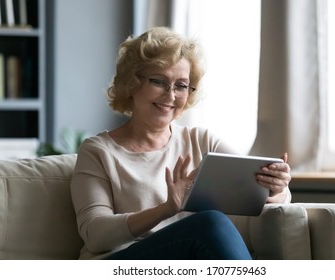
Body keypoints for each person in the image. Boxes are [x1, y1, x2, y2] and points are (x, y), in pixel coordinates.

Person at [70, 27, 292, 260]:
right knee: (210, 223)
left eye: (181, 85)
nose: (171, 95)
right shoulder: (98, 151)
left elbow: (265, 195)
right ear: (131, 83)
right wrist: (166, 209)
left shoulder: (202, 141)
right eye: (159, 81)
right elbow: (95, 234)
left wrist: (276, 188)